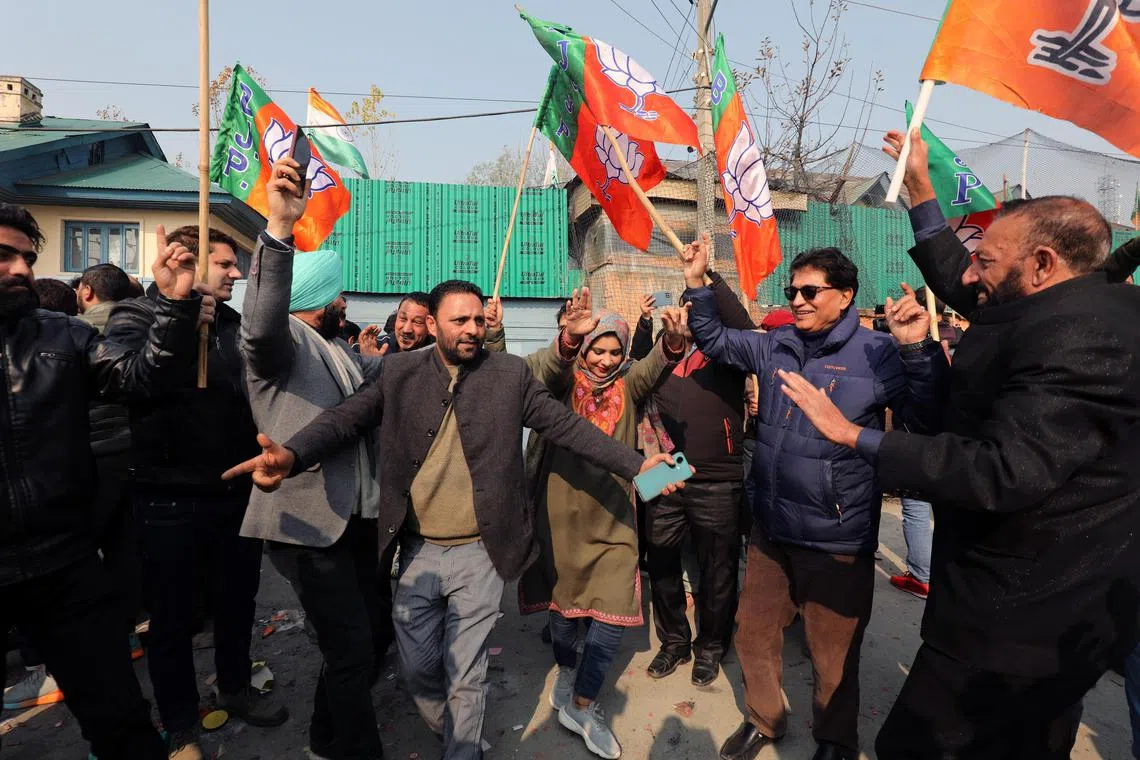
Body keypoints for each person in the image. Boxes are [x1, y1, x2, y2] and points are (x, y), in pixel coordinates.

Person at [781, 129, 1140, 760]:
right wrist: (920, 188)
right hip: (1018, 609)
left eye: (989, 259)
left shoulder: (1083, 336)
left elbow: (1007, 471)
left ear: (1044, 264)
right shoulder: (1056, 302)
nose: (972, 271)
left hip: (1021, 617)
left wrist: (853, 435)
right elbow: (958, 275)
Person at [222, 280, 684, 760]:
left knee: (467, 675)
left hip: (482, 551)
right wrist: (293, 454)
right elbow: (346, 418)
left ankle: (464, 749)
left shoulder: (508, 375)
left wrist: (636, 464)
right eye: (459, 321)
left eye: (478, 320)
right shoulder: (399, 371)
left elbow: (566, 427)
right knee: (420, 670)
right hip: (418, 551)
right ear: (434, 324)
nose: (471, 330)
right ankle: (455, 732)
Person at [679, 235, 948, 760]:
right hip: (771, 528)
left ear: (845, 295)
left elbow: (929, 418)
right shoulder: (774, 344)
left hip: (837, 535)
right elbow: (714, 340)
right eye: (791, 290)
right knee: (753, 635)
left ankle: (834, 739)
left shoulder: (877, 352)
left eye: (809, 291)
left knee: (834, 654)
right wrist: (697, 283)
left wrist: (917, 349)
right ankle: (764, 719)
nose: (797, 300)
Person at [0, 203, 204, 759]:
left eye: (27, 256)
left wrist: (170, 301)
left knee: (122, 724)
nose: (21, 269)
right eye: (5, 255)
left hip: (66, 565)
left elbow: (143, 376)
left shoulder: (64, 334)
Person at [106, 225, 286, 760]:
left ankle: (232, 686)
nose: (237, 274)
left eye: (238, 265)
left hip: (234, 491)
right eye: (226, 264)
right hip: (166, 497)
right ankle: (180, 724)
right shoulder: (136, 316)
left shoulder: (233, 325)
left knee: (237, 602)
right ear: (186, 262)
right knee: (172, 618)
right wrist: (177, 312)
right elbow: (133, 382)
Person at [232, 157, 387, 760]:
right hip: (305, 523)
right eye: (339, 291)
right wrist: (277, 230)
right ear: (321, 296)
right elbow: (260, 325)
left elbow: (391, 373)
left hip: (349, 519)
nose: (346, 299)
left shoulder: (335, 347)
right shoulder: (284, 344)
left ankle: (325, 738)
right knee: (350, 651)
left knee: (362, 640)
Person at [519, 296, 687, 759]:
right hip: (559, 515)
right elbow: (539, 371)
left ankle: (584, 703)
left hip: (614, 516)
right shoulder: (558, 385)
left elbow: (656, 365)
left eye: (615, 351)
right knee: (564, 609)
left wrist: (672, 340)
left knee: (614, 615)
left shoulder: (629, 385)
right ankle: (567, 670)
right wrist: (569, 338)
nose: (606, 360)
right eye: (598, 350)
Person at [641, 270, 756, 689]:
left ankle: (710, 647)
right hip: (664, 474)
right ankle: (674, 641)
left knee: (718, 569)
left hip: (718, 478)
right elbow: (632, 380)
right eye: (683, 311)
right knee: (662, 561)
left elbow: (745, 328)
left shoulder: (726, 358)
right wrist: (657, 334)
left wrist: (708, 282)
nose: (686, 319)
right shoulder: (659, 359)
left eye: (695, 312)